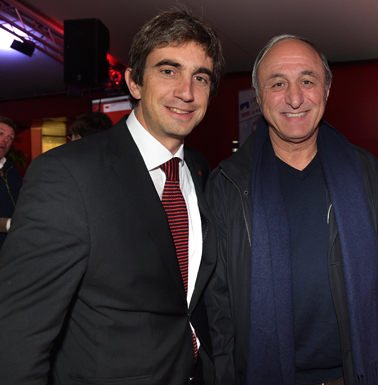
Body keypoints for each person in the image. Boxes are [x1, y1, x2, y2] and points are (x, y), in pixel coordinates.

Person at [0, 8, 225, 385]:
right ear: (134, 83)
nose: (186, 92)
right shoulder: (68, 175)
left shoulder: (201, 170)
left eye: (199, 77)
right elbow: (17, 336)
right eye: (168, 71)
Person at [204, 35, 378, 385]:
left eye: (308, 81)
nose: (295, 98)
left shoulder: (364, 171)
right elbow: (216, 311)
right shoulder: (227, 183)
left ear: (326, 90)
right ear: (259, 95)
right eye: (278, 83)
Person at [0, 117, 22, 250]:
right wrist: (8, 224)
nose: (5, 140)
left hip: (13, 246)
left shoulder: (12, 168)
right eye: (1, 133)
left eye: (10, 138)